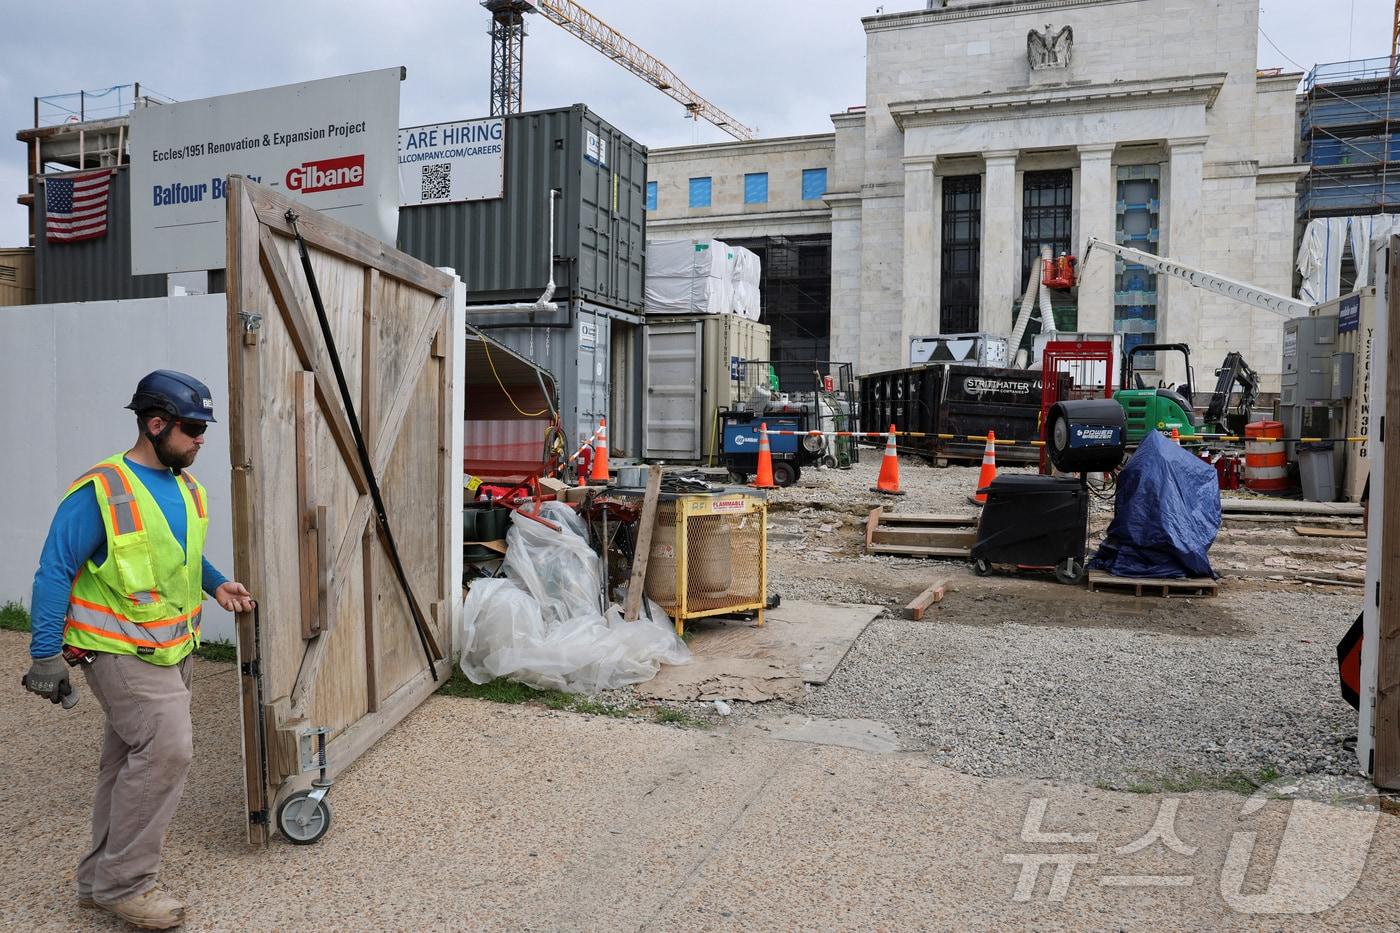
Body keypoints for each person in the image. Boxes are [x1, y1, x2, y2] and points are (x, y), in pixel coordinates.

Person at [21, 370, 254, 930]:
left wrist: (215, 582)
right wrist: (44, 654)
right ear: (156, 424)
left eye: (204, 428)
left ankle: (97, 881)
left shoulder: (186, 488)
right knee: (168, 751)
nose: (202, 438)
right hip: (118, 652)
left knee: (127, 762)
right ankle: (127, 885)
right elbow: (55, 570)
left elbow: (179, 555)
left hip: (173, 649)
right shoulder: (102, 489)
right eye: (194, 427)